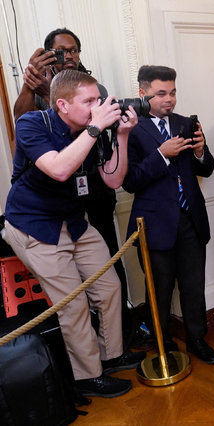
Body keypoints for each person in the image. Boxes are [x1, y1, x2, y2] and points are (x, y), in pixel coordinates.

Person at [2, 69, 144, 397]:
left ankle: (111, 356)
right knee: (73, 304)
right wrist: (96, 127)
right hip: (35, 226)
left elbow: (112, 180)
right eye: (90, 101)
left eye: (99, 99)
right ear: (63, 104)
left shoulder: (90, 130)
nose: (99, 106)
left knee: (109, 287)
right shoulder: (33, 124)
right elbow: (60, 168)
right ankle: (88, 377)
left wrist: (121, 135)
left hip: (74, 220)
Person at [13, 28, 133, 344]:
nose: (69, 57)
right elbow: (26, 128)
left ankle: (118, 343)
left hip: (87, 197)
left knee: (108, 275)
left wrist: (121, 134)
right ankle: (90, 366)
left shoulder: (91, 95)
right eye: (61, 51)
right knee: (73, 299)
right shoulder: (39, 104)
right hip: (44, 207)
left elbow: (109, 171)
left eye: (74, 50)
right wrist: (33, 87)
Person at [122, 65, 214, 364]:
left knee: (193, 285)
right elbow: (129, 181)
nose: (169, 99)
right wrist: (162, 154)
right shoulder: (130, 129)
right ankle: (162, 343)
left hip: (191, 219)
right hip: (153, 225)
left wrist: (201, 151)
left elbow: (206, 168)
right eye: (161, 93)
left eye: (173, 92)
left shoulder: (184, 123)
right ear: (143, 93)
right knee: (159, 290)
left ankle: (197, 340)